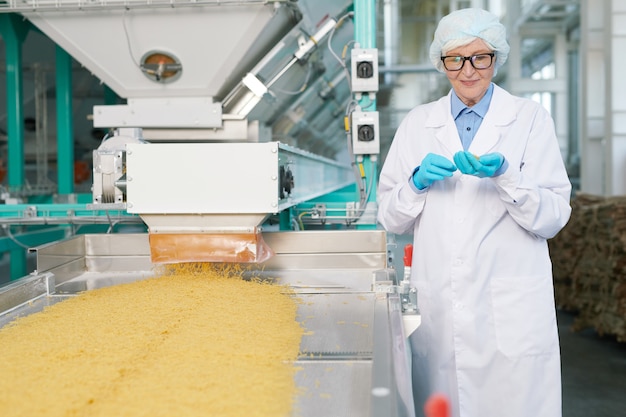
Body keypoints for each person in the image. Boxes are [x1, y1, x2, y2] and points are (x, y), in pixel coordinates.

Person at [376, 8, 572, 417]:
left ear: (495, 58)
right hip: (441, 312)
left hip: (510, 310)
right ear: (441, 62)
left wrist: (507, 177)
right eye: (456, 59)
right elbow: (390, 218)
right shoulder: (417, 124)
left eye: (479, 57)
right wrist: (414, 183)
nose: (468, 70)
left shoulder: (530, 119)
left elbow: (553, 216)